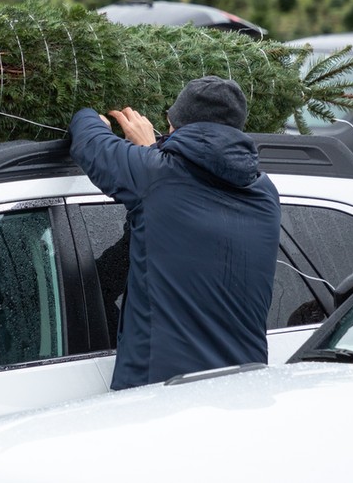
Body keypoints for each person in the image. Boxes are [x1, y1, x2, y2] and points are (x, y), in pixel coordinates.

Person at [68, 76, 281, 390]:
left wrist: (89, 114)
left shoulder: (156, 176)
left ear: (175, 125)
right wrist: (155, 151)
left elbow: (89, 141)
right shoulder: (265, 194)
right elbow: (173, 211)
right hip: (242, 390)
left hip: (162, 395)